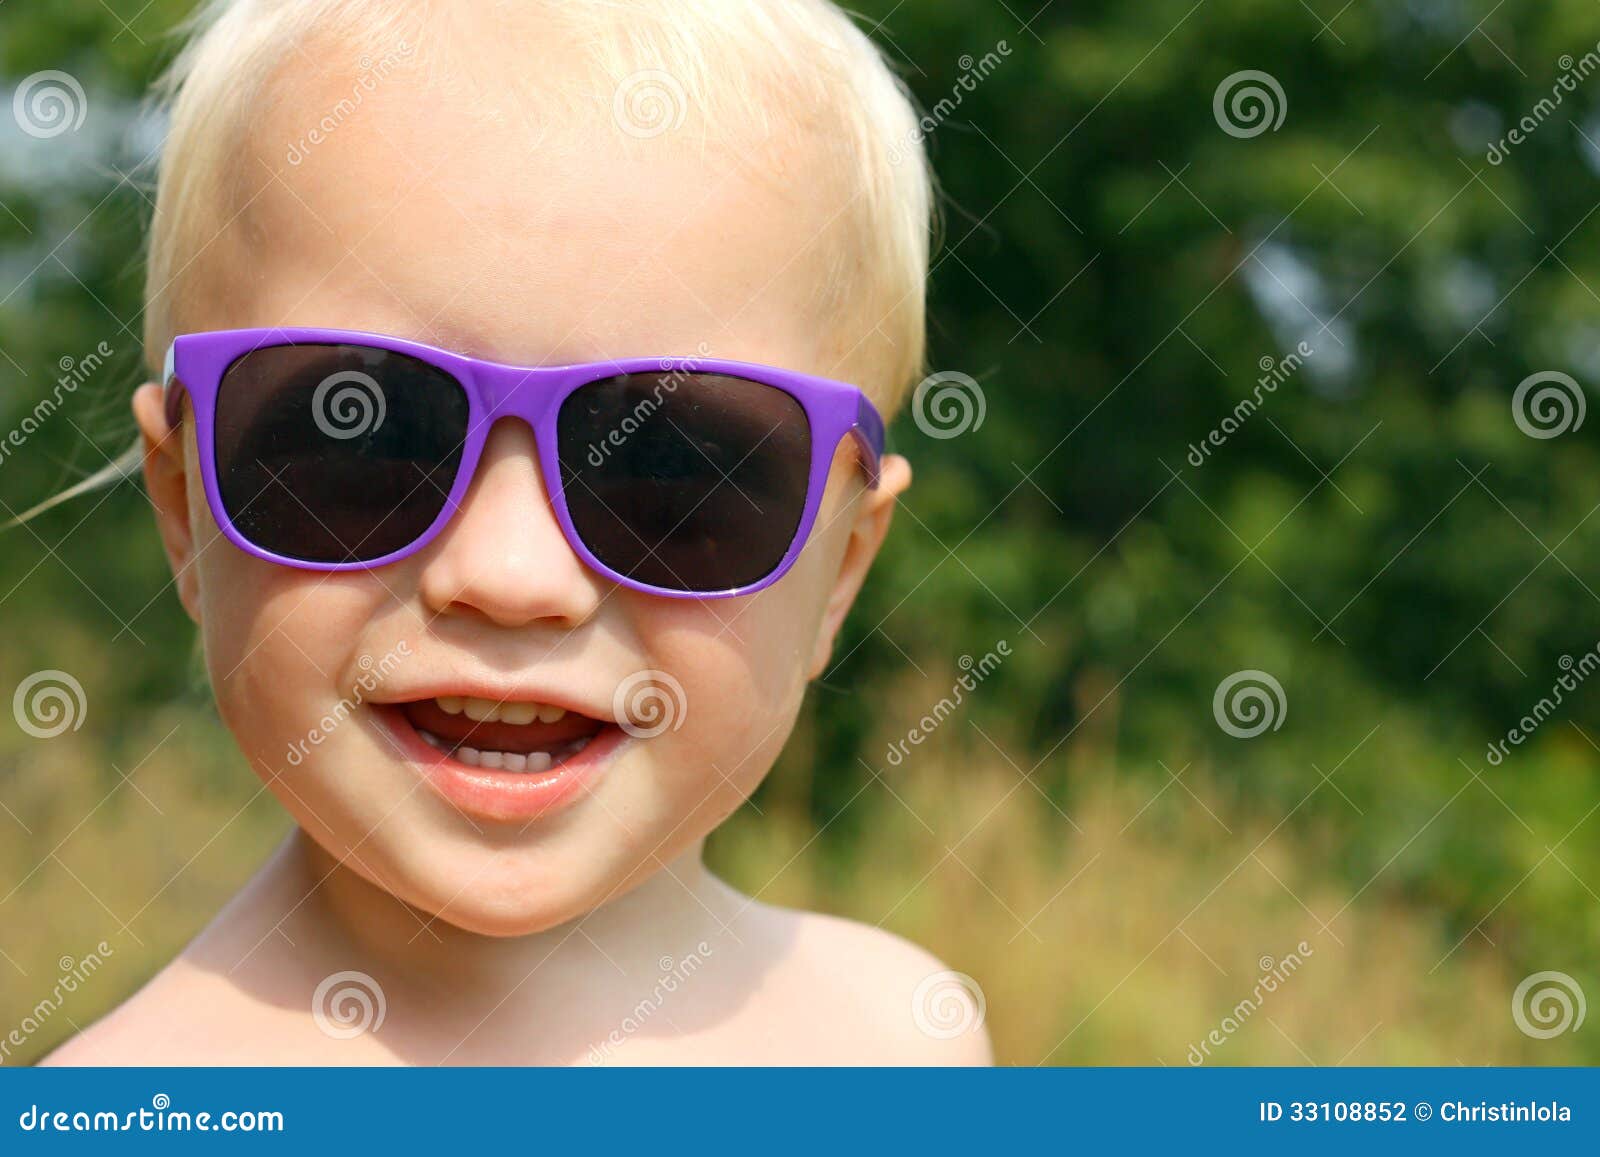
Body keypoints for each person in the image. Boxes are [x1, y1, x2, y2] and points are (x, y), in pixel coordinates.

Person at [40, 0, 991, 1064]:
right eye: (363, 440)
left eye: (669, 468)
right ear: (183, 510)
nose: (507, 573)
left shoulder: (903, 1033)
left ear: (840, 569)